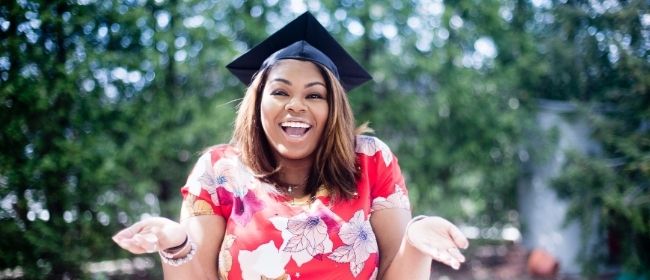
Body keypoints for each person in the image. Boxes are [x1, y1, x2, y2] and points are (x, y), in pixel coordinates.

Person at [112, 12, 469, 279]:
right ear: (258, 102)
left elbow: (395, 268)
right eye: (280, 91)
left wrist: (417, 240)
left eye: (315, 95)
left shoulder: (370, 160)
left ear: (334, 109)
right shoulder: (219, 171)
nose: (296, 105)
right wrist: (174, 242)